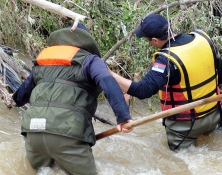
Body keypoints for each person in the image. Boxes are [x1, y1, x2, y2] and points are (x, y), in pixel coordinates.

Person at [12, 23, 133, 175]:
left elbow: (20, 97)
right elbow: (108, 82)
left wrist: (14, 99)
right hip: (67, 134)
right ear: (85, 42)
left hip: (33, 133)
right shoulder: (90, 60)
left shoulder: (42, 63)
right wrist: (123, 116)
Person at [110, 14, 222, 150]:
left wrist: (110, 74)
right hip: (216, 114)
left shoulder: (166, 60)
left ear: (155, 40)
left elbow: (143, 90)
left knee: (179, 164)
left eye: (148, 40)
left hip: (187, 125)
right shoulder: (203, 38)